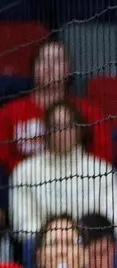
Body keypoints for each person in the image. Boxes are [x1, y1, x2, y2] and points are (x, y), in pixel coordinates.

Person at [0, 39, 111, 173]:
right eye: (43, 60)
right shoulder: (9, 113)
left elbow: (102, 160)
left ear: (68, 69)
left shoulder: (88, 112)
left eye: (57, 60)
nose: (49, 66)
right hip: (25, 187)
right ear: (33, 68)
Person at [8, 100, 117, 238]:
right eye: (56, 126)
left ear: (79, 130)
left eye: (68, 126)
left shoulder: (102, 171)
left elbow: (113, 220)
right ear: (46, 132)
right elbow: (23, 225)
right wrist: (56, 242)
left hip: (92, 249)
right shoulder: (24, 172)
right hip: (45, 249)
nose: (62, 132)